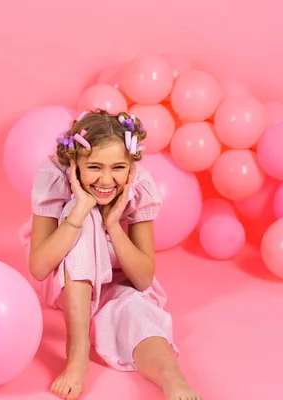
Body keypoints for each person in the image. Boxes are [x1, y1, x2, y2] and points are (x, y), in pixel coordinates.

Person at [18, 109, 201, 400]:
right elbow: (39, 268)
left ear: (131, 167)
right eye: (94, 167)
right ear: (75, 163)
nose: (106, 180)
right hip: (61, 276)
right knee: (88, 215)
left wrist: (114, 225)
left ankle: (172, 378)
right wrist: (80, 209)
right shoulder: (54, 175)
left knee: (137, 311)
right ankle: (77, 354)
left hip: (114, 280)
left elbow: (142, 279)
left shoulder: (138, 185)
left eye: (118, 167)